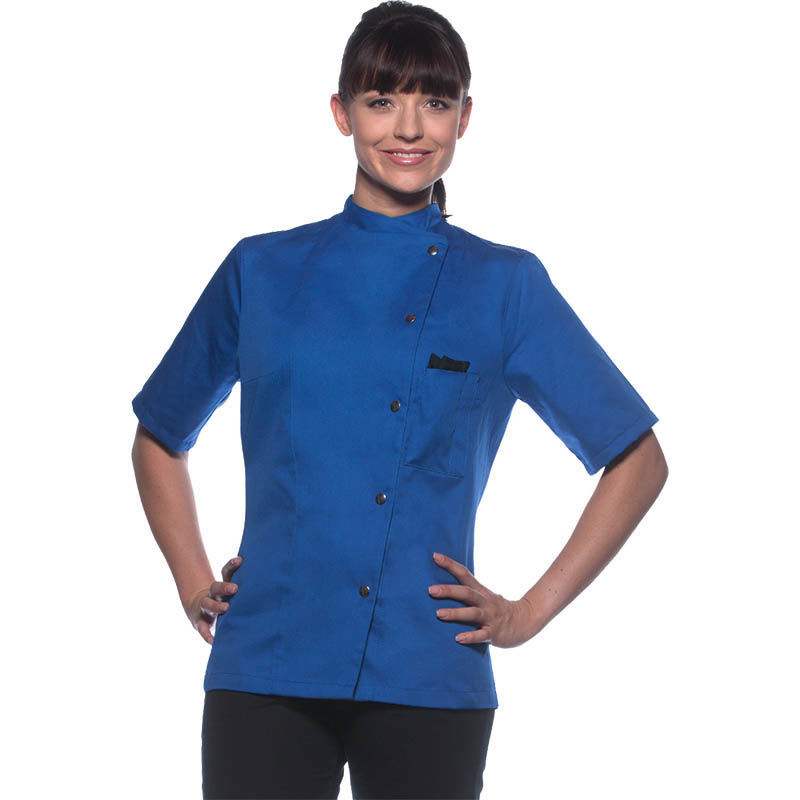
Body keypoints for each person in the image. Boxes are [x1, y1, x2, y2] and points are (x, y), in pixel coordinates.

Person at [130, 2, 668, 798]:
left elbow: (638, 459)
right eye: (382, 100)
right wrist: (190, 578)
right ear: (341, 112)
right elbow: (159, 434)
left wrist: (527, 613)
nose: (409, 128)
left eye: (435, 102)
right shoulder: (261, 270)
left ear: (465, 117)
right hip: (266, 663)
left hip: (428, 671)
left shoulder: (506, 285)